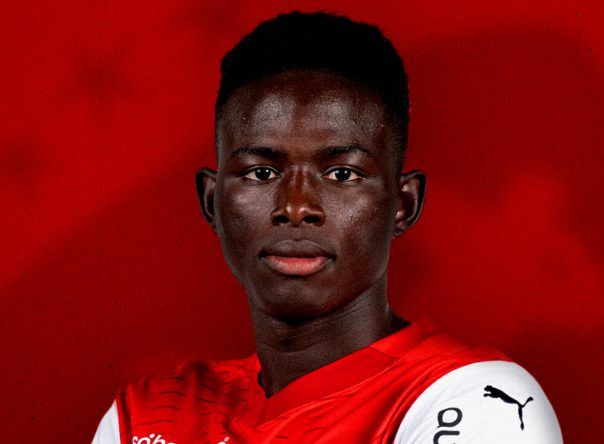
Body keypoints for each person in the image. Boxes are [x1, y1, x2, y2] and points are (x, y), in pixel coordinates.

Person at [93, 11, 563, 443]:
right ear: (211, 201)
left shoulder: (476, 398)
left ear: (403, 205)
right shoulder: (147, 415)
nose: (296, 207)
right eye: (261, 172)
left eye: (342, 174)